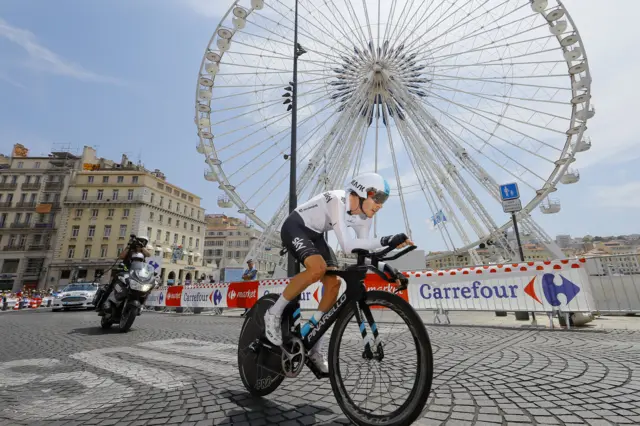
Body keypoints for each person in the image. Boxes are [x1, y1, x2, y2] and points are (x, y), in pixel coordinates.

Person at [263, 172, 413, 373]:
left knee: (334, 285)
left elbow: (364, 253)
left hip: (316, 236)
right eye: (377, 198)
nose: (380, 205)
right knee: (318, 268)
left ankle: (314, 343)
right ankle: (273, 312)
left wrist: (390, 270)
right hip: (296, 227)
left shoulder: (365, 219)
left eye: (383, 200)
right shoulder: (337, 201)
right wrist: (387, 240)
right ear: (362, 192)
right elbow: (348, 245)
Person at [95, 235, 150, 312]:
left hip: (136, 274)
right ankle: (103, 303)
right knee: (113, 284)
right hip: (125, 270)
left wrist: (142, 247)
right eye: (140, 241)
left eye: (143, 242)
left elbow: (149, 254)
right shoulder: (130, 250)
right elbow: (121, 256)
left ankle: (140, 305)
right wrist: (128, 246)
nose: (141, 243)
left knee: (146, 288)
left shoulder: (143, 252)